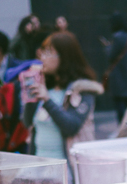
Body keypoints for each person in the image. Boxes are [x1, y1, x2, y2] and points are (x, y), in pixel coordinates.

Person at [25, 32, 103, 168]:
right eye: (42, 52)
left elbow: (71, 127)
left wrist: (47, 100)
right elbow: (27, 122)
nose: (43, 57)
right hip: (38, 166)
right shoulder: (45, 87)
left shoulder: (81, 90)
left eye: (49, 52)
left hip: (66, 170)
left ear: (65, 57)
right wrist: (30, 93)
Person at [102, 12, 127, 124]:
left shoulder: (117, 37)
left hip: (118, 75)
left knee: (120, 105)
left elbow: (111, 56)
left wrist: (107, 47)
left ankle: (123, 126)